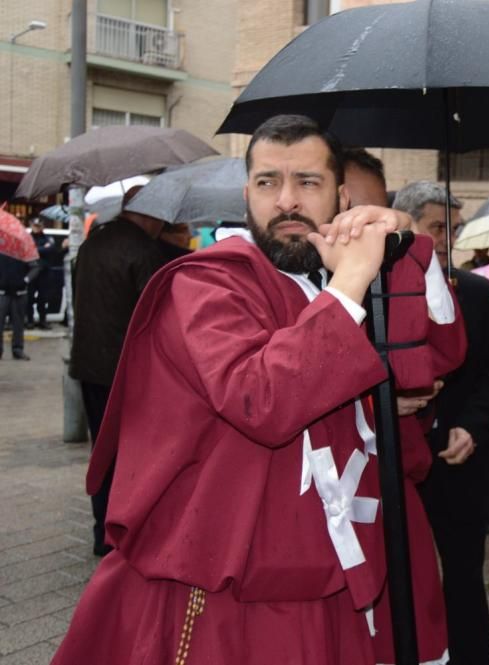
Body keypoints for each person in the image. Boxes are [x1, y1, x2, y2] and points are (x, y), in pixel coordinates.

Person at [53, 115, 418, 665]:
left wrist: (400, 232)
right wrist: (349, 286)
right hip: (223, 577)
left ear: (340, 195)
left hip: (324, 563)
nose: (287, 201)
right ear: (246, 193)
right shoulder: (206, 282)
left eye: (308, 183)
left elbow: (430, 360)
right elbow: (260, 399)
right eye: (269, 182)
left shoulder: (334, 274)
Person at [342, 152, 467, 665]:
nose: (360, 222)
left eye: (375, 209)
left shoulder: (397, 272)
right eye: (348, 205)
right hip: (326, 494)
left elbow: (445, 351)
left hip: (394, 481)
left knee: (409, 624)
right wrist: (378, 403)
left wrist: (420, 253)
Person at [395, 180, 489, 665]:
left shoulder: (476, 291)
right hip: (398, 463)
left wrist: (473, 425)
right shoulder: (376, 292)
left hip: (457, 460)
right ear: (404, 227)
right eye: (435, 228)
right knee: (400, 576)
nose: (446, 240)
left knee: (462, 576)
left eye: (453, 229)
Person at [68, 185, 170, 556]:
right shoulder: (144, 250)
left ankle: (102, 531)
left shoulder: (92, 243)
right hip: (127, 372)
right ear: (149, 213)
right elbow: (159, 315)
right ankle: (123, 532)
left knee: (103, 451)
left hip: (89, 364)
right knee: (133, 454)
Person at [0, 247, 40, 360]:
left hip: (19, 293)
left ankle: (17, 349)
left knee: (18, 323)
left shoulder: (24, 251)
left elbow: (35, 267)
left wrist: (25, 280)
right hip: (2, 292)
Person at [26, 218, 57, 329]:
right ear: (31, 225)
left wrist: (35, 249)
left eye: (38, 226)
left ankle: (42, 320)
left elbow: (51, 249)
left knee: (43, 298)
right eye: (34, 225)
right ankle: (29, 321)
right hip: (30, 273)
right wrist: (42, 249)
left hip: (44, 274)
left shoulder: (48, 238)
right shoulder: (27, 238)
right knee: (29, 298)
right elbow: (26, 250)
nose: (36, 228)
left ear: (42, 226)